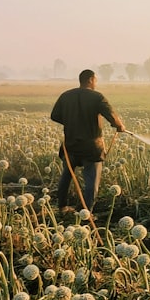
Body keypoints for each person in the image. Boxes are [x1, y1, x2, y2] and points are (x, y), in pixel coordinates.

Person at [51, 69, 125, 214]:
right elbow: (110, 114)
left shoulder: (66, 96)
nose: (96, 82)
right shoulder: (97, 97)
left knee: (66, 175)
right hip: (91, 147)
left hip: (70, 144)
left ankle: (62, 207)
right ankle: (86, 212)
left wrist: (71, 122)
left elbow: (55, 115)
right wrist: (119, 125)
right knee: (91, 180)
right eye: (95, 80)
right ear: (91, 79)